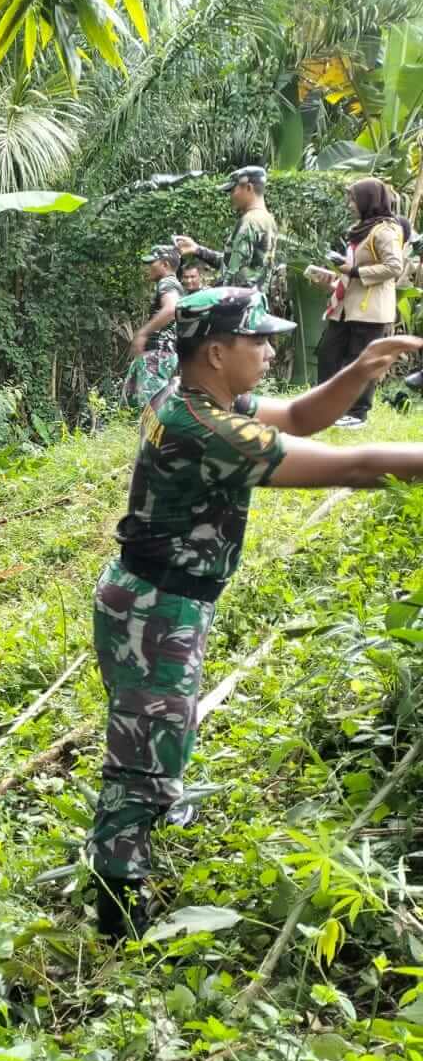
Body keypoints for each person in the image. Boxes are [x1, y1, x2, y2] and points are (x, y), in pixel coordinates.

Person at [89, 286, 423, 939]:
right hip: (157, 609)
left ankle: (140, 843)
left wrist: (358, 371)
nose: (271, 351)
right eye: (259, 341)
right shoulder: (207, 429)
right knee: (144, 763)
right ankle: (116, 908)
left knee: (159, 738)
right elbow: (352, 467)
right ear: (217, 351)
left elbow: (297, 417)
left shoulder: (185, 395)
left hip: (154, 597)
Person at [307, 177, 406, 428]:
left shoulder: (385, 230)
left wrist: (354, 272)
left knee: (361, 361)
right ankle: (325, 406)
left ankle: (358, 413)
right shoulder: (362, 228)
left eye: (353, 198)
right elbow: (354, 269)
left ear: (368, 200)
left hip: (370, 310)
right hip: (345, 307)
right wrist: (333, 278)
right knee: (329, 353)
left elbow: (394, 267)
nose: (350, 204)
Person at [173, 165, 278, 291]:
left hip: (239, 305)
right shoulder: (268, 220)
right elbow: (232, 263)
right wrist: (197, 250)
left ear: (248, 187)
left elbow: (232, 276)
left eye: (233, 190)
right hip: (255, 302)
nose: (231, 196)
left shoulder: (249, 222)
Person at [122, 245, 184, 408]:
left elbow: (171, 309)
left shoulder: (167, 283)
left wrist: (143, 333)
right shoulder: (173, 284)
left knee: (153, 411)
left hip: (157, 356)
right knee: (139, 407)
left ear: (165, 265)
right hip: (161, 355)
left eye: (152, 263)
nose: (148, 267)